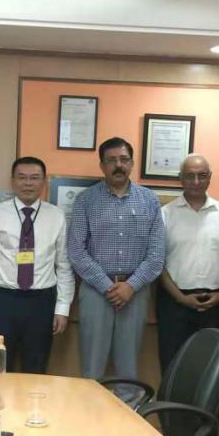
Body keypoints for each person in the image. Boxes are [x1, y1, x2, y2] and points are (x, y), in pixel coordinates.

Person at [67, 137, 165, 381]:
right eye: (111, 160)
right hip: (95, 291)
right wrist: (107, 286)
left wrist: (130, 286)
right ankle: (90, 408)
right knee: (92, 368)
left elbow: (156, 254)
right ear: (102, 166)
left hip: (136, 291)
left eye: (123, 159)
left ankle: (126, 406)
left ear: (132, 163)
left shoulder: (150, 200)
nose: (118, 165)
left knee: (128, 370)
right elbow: (76, 251)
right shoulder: (86, 200)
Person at [0, 156, 73, 373]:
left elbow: (64, 266)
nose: (28, 183)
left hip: (41, 302)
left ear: (44, 182)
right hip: (2, 300)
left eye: (34, 178)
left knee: (36, 367)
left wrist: (62, 308)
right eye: (22, 177)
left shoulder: (56, 216)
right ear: (12, 181)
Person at [156, 155, 219, 373]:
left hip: (214, 303)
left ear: (210, 177)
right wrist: (180, 298)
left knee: (209, 369)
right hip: (174, 302)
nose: (196, 182)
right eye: (190, 176)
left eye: (202, 175)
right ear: (181, 178)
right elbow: (157, 262)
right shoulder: (165, 214)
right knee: (172, 365)